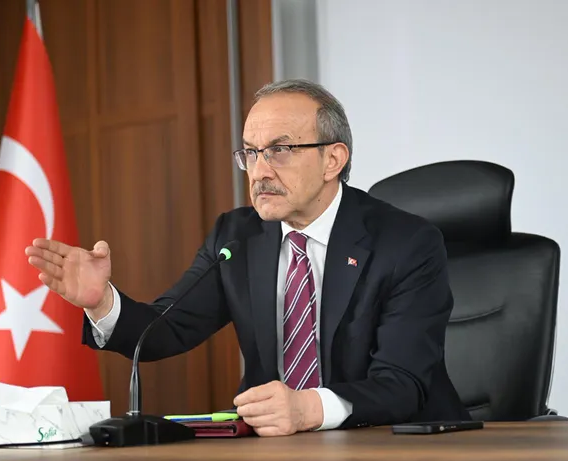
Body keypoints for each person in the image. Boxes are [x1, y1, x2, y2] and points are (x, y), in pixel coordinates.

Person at [25, 79, 469, 436]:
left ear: (332, 160)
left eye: (280, 150)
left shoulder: (406, 243)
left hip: (399, 446)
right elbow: (167, 330)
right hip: (279, 450)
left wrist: (306, 408)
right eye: (251, 154)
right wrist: (103, 303)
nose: (260, 171)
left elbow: (403, 383)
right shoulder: (237, 236)